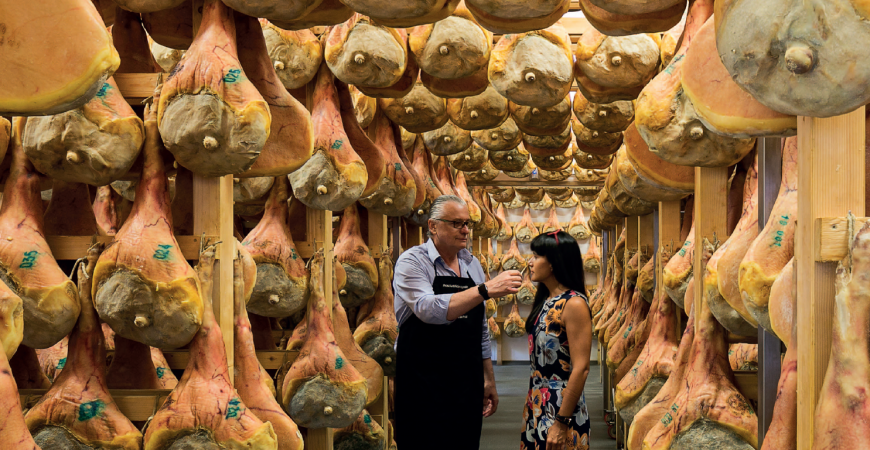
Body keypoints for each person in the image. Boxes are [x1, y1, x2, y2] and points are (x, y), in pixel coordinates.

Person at [393, 195, 523, 450]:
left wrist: (488, 379)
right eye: (456, 223)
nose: (465, 230)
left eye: (467, 224)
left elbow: (480, 328)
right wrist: (485, 289)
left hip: (465, 379)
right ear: (433, 226)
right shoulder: (413, 261)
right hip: (422, 379)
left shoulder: (471, 263)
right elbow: (426, 309)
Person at [521, 230, 592, 450]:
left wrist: (561, 422)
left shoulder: (574, 304)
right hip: (536, 399)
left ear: (553, 262)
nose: (530, 262)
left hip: (561, 405)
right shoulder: (546, 300)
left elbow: (581, 368)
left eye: (536, 256)